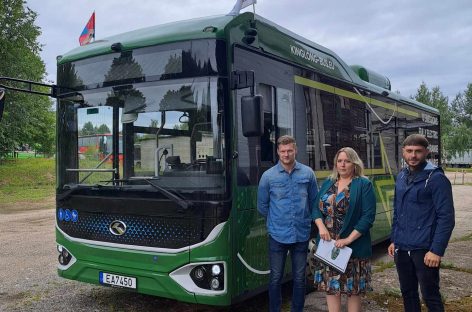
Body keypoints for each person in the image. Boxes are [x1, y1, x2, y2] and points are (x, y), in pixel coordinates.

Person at [388, 134, 455, 312]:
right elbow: (398, 211)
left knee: (430, 295)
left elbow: (446, 217)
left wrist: (436, 250)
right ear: (403, 152)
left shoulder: (436, 179)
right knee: (407, 293)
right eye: (409, 151)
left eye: (418, 151)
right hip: (402, 247)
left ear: (426, 152)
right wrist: (394, 239)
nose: (413, 155)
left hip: (425, 249)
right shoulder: (401, 176)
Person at [257, 135, 318, 312]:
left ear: (295, 150)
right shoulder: (268, 177)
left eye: (289, 150)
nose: (286, 154)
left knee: (299, 278)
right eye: (283, 151)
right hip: (277, 236)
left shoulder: (308, 173)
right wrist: (276, 221)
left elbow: (314, 201)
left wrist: (307, 220)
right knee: (275, 278)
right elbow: (262, 205)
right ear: (278, 152)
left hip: (300, 234)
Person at [312, 147, 376, 312]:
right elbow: (315, 209)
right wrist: (321, 228)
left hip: (352, 247)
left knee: (352, 290)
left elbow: (368, 217)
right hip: (328, 246)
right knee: (331, 288)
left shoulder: (363, 184)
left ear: (354, 163)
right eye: (339, 161)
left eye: (347, 161)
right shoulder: (328, 182)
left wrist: (348, 240)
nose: (342, 164)